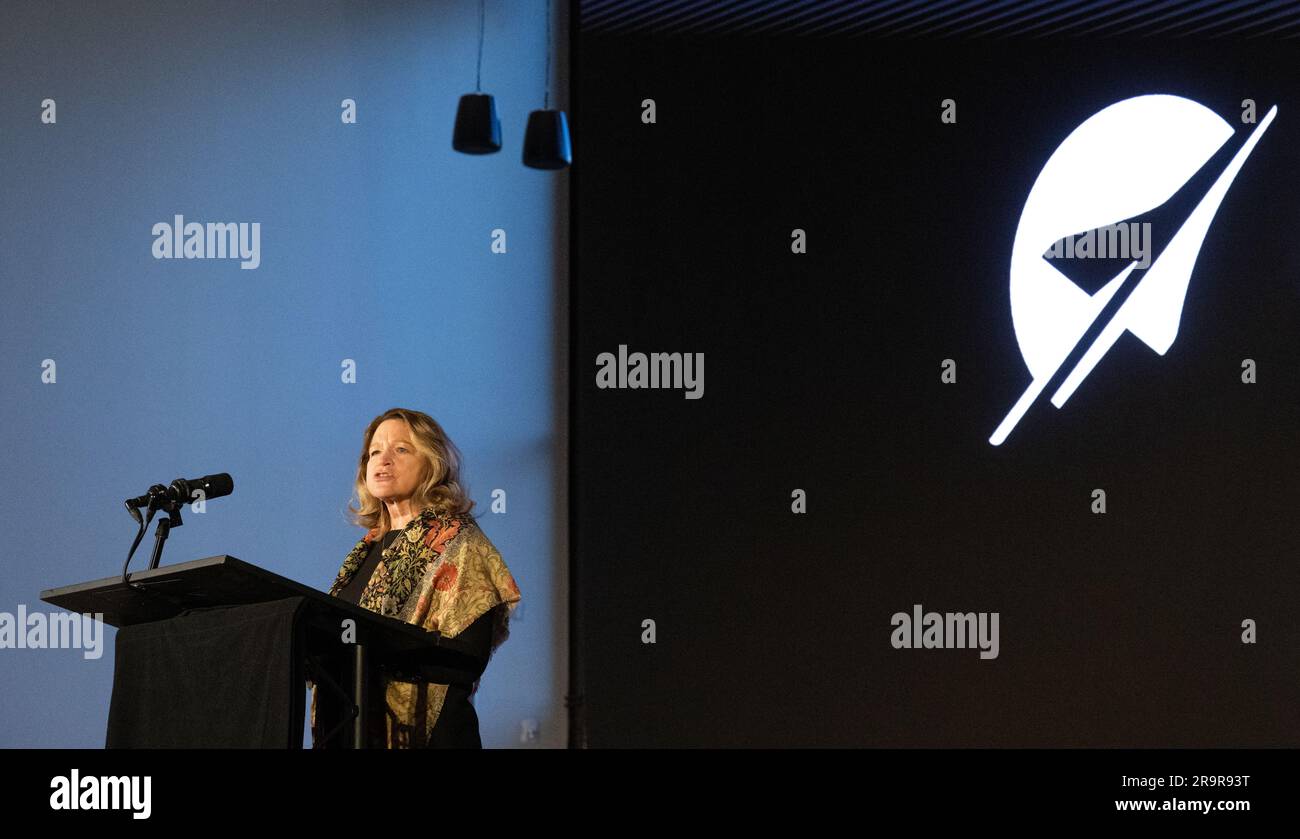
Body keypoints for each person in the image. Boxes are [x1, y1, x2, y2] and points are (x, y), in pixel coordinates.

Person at [309, 407, 521, 748]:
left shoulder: (460, 543)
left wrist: (380, 646)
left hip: (431, 736)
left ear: (434, 462)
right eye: (374, 452)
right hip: (352, 732)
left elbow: (468, 658)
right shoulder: (364, 552)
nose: (383, 460)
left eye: (401, 449)